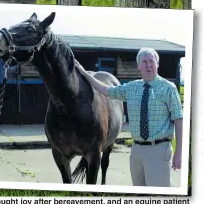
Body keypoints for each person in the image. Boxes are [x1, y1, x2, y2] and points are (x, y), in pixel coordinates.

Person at [75, 47, 183, 187]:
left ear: (157, 63)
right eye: (144, 62)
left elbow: (178, 119)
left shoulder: (169, 88)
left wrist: (179, 152)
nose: (148, 65)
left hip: (159, 149)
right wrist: (84, 73)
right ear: (139, 66)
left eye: (151, 61)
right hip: (136, 150)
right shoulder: (131, 88)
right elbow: (106, 90)